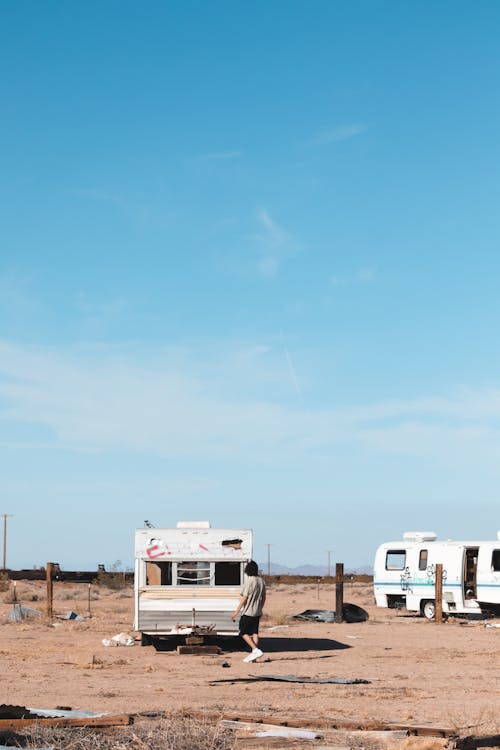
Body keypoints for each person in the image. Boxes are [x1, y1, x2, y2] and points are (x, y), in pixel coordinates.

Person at [230, 560, 266, 662]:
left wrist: (236, 612)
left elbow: (244, 598)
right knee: (254, 632)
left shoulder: (249, 581)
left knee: (243, 632)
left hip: (248, 612)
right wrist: (260, 608)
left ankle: (255, 650)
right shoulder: (261, 581)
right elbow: (263, 598)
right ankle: (254, 655)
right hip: (257, 612)